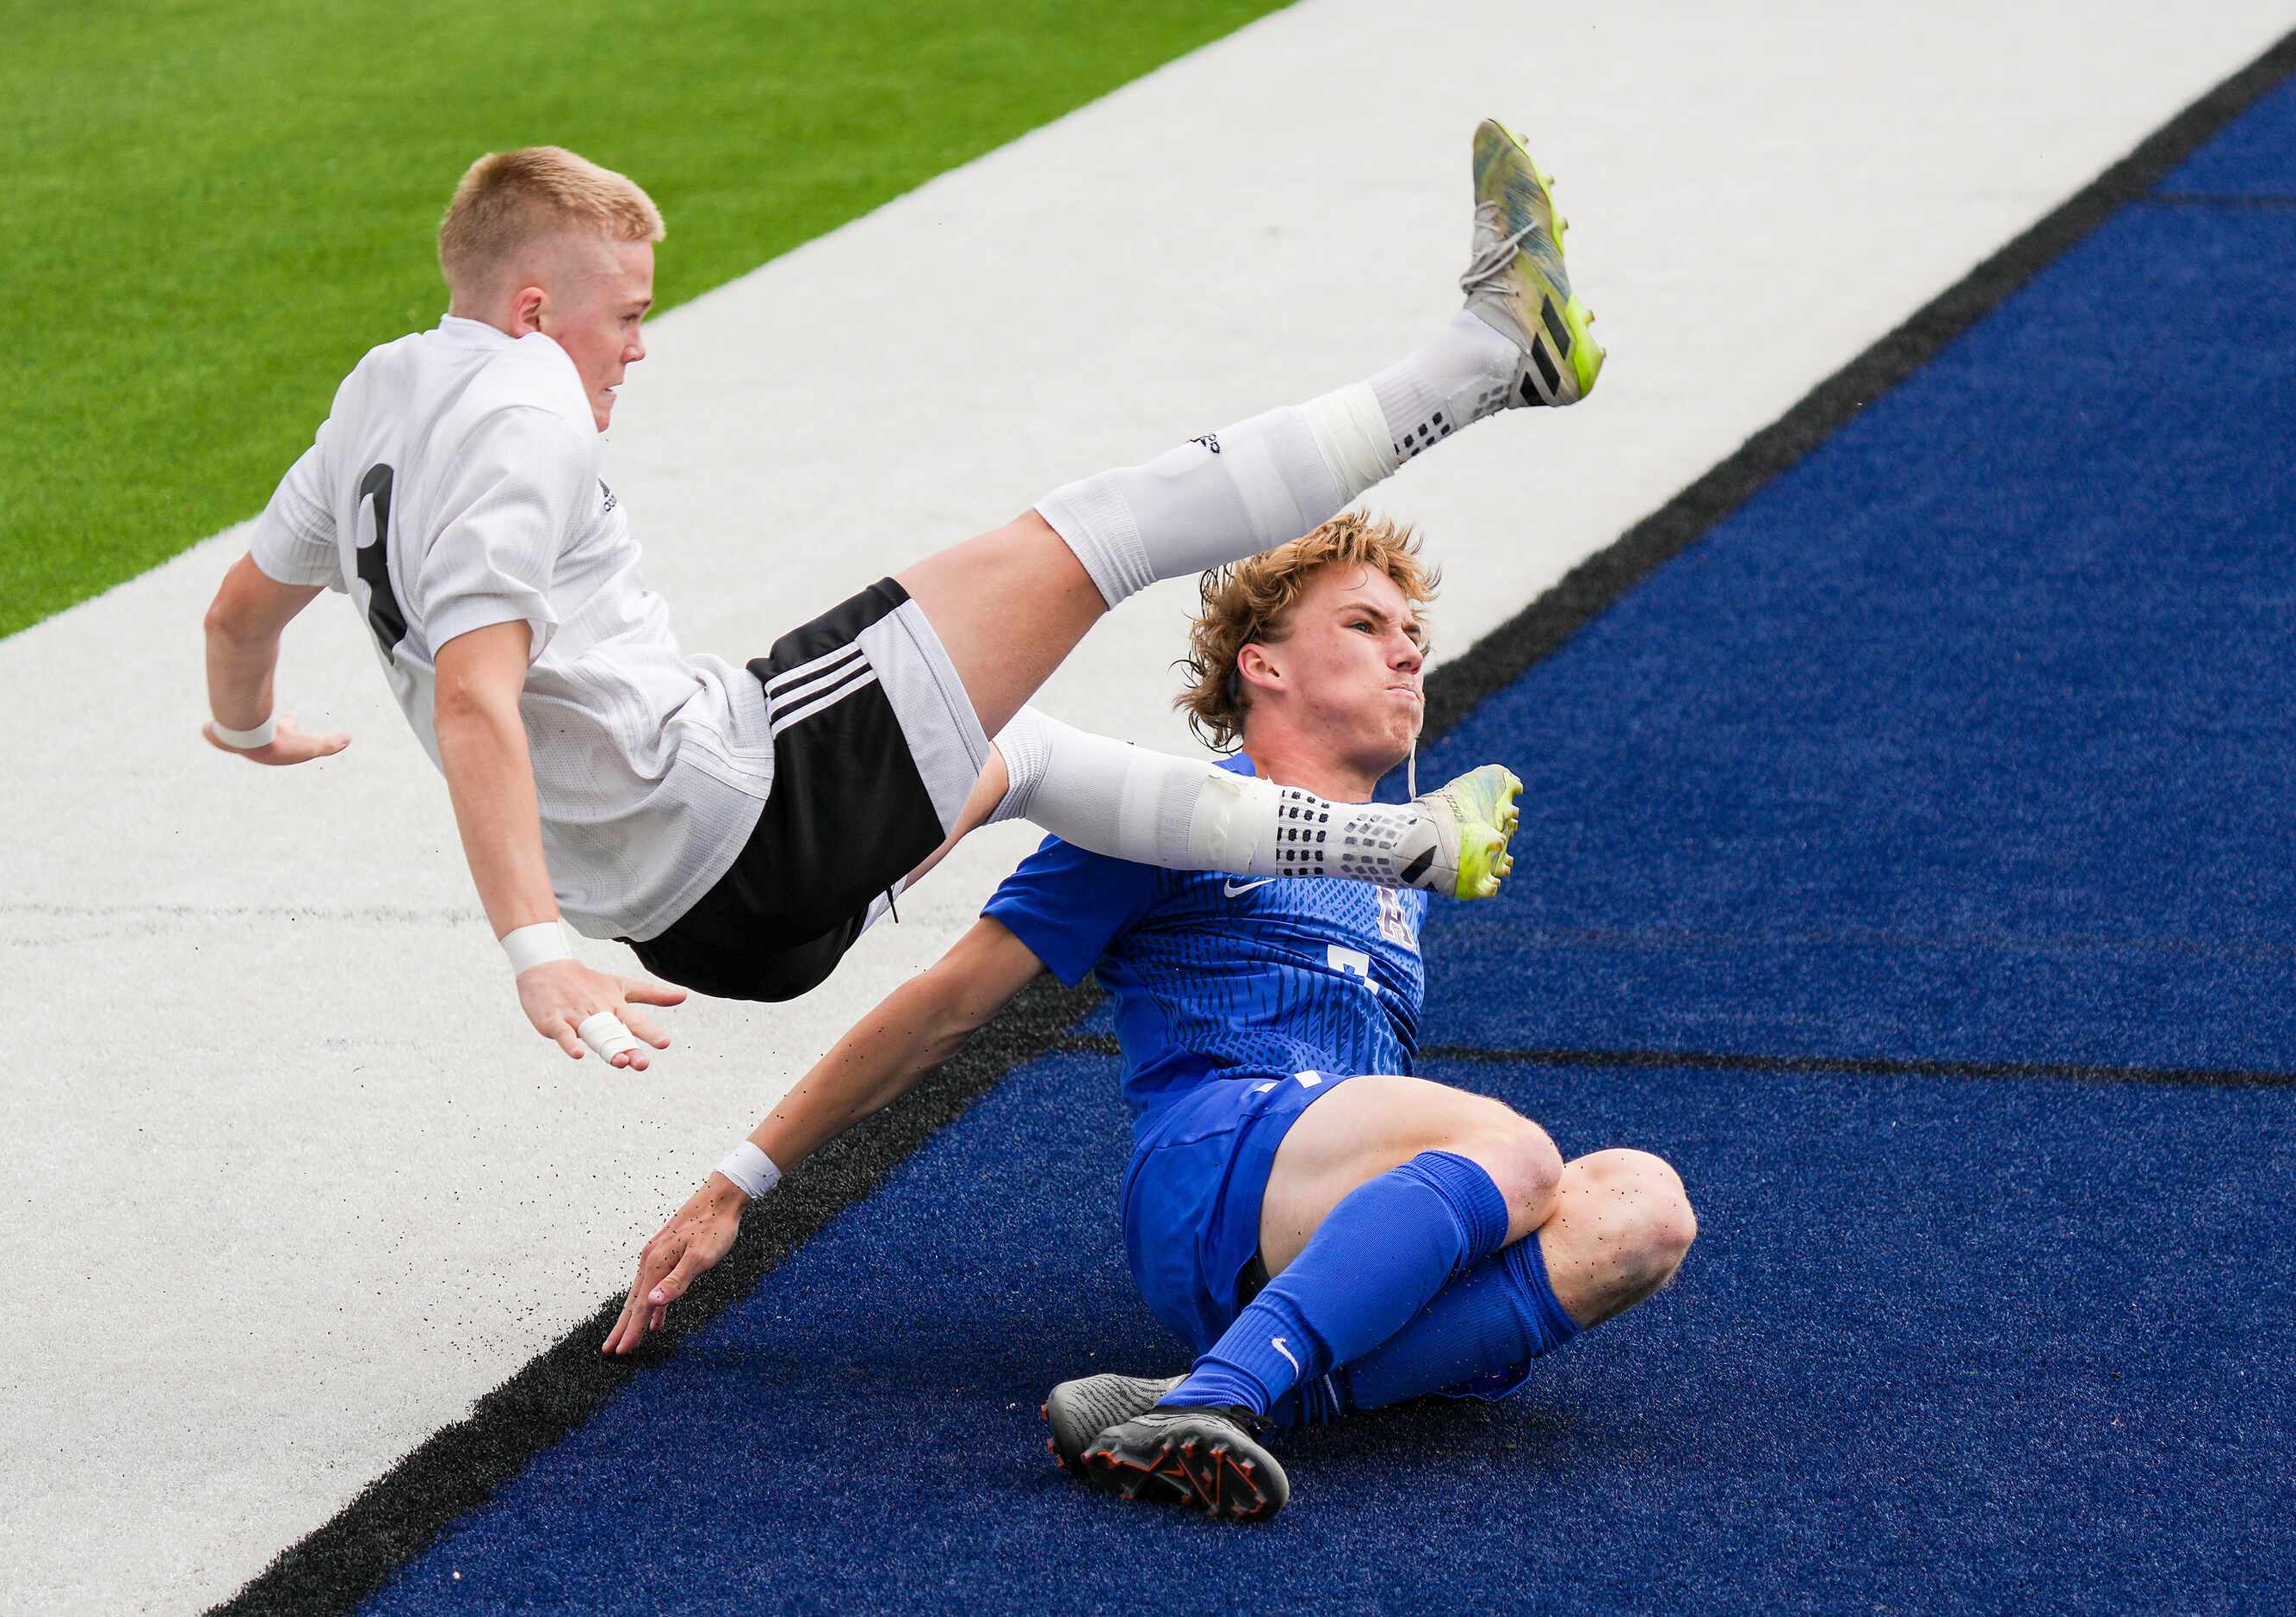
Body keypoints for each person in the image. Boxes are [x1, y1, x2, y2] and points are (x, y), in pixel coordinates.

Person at [198, 121, 1604, 1070]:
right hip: (746, 813)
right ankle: (1492, 352)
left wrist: (252, 727)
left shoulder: (378, 397)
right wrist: (531, 953)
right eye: (621, 313)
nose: (638, 344)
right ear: (527, 309)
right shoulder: (526, 413)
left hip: (710, 931)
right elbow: (474, 698)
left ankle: (1407, 847)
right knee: (1101, 532)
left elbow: (239, 616)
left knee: (1023, 758)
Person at [602, 515, 1696, 1521]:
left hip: (1336, 1192)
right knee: (1515, 1152)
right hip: (1215, 1165)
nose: (1407, 649)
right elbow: (943, 1009)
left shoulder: (1396, 864)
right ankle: (1224, 1393)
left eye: (1412, 630)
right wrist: (736, 1184)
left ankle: (1207, 1394)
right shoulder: (1162, 816)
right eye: (1364, 625)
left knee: (1643, 1213)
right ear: (1260, 666)